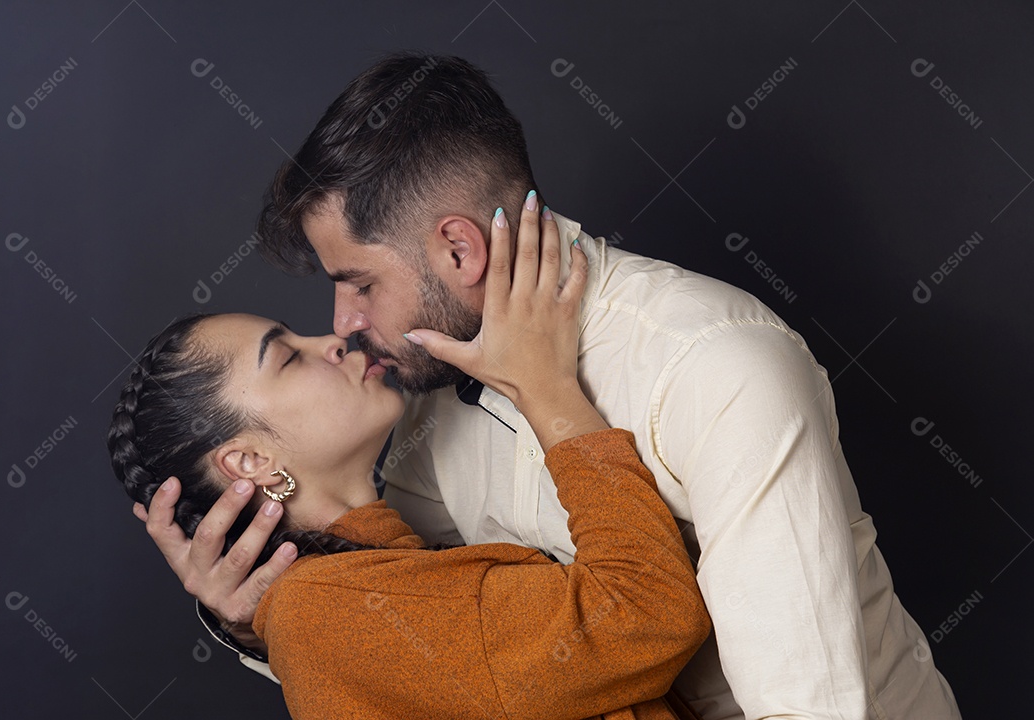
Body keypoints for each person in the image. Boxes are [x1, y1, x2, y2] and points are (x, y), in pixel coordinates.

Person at [143, 53, 962, 719]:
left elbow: (807, 706)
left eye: (357, 282)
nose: (344, 322)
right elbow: (415, 644)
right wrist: (249, 616)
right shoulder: (422, 398)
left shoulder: (715, 365)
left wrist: (555, 401)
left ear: (459, 252)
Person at [110, 201, 712, 719]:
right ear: (249, 461)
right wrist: (547, 389)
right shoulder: (326, 611)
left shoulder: (358, 579)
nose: (335, 338)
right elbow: (645, 613)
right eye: (288, 357)